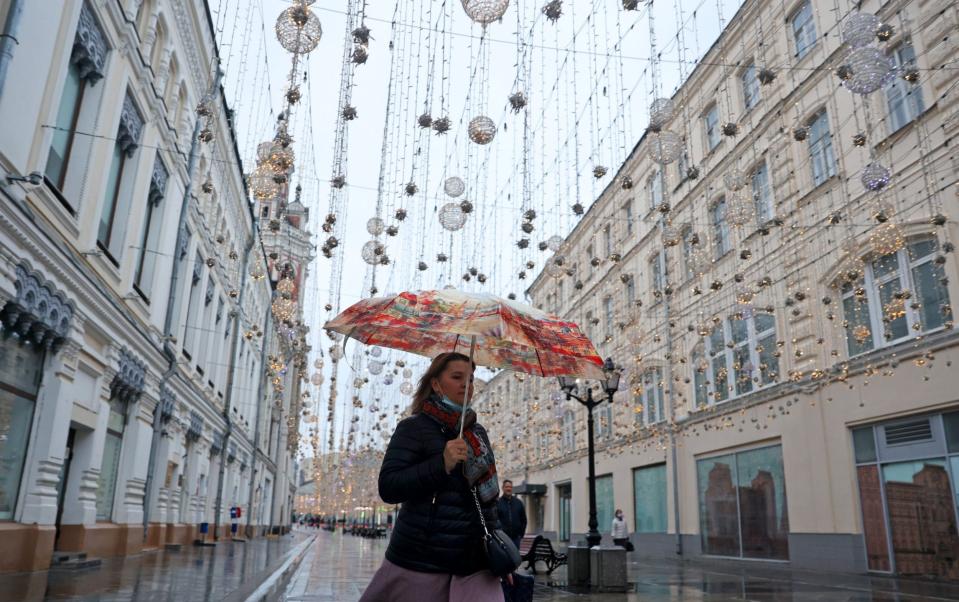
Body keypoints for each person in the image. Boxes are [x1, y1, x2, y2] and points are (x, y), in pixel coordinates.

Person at [359, 352, 507, 602]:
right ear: (436, 384)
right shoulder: (414, 428)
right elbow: (389, 487)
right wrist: (442, 464)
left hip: (475, 564)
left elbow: (487, 501)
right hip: (422, 562)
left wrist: (500, 554)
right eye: (457, 377)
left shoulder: (477, 433)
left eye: (471, 379)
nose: (466, 385)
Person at [495, 479, 527, 549]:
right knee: (504, 558)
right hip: (502, 538)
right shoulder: (497, 503)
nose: (508, 489)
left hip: (515, 539)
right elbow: (495, 520)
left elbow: (523, 520)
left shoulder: (518, 503)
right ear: (503, 488)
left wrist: (520, 535)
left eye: (510, 487)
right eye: (506, 487)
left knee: (515, 559)